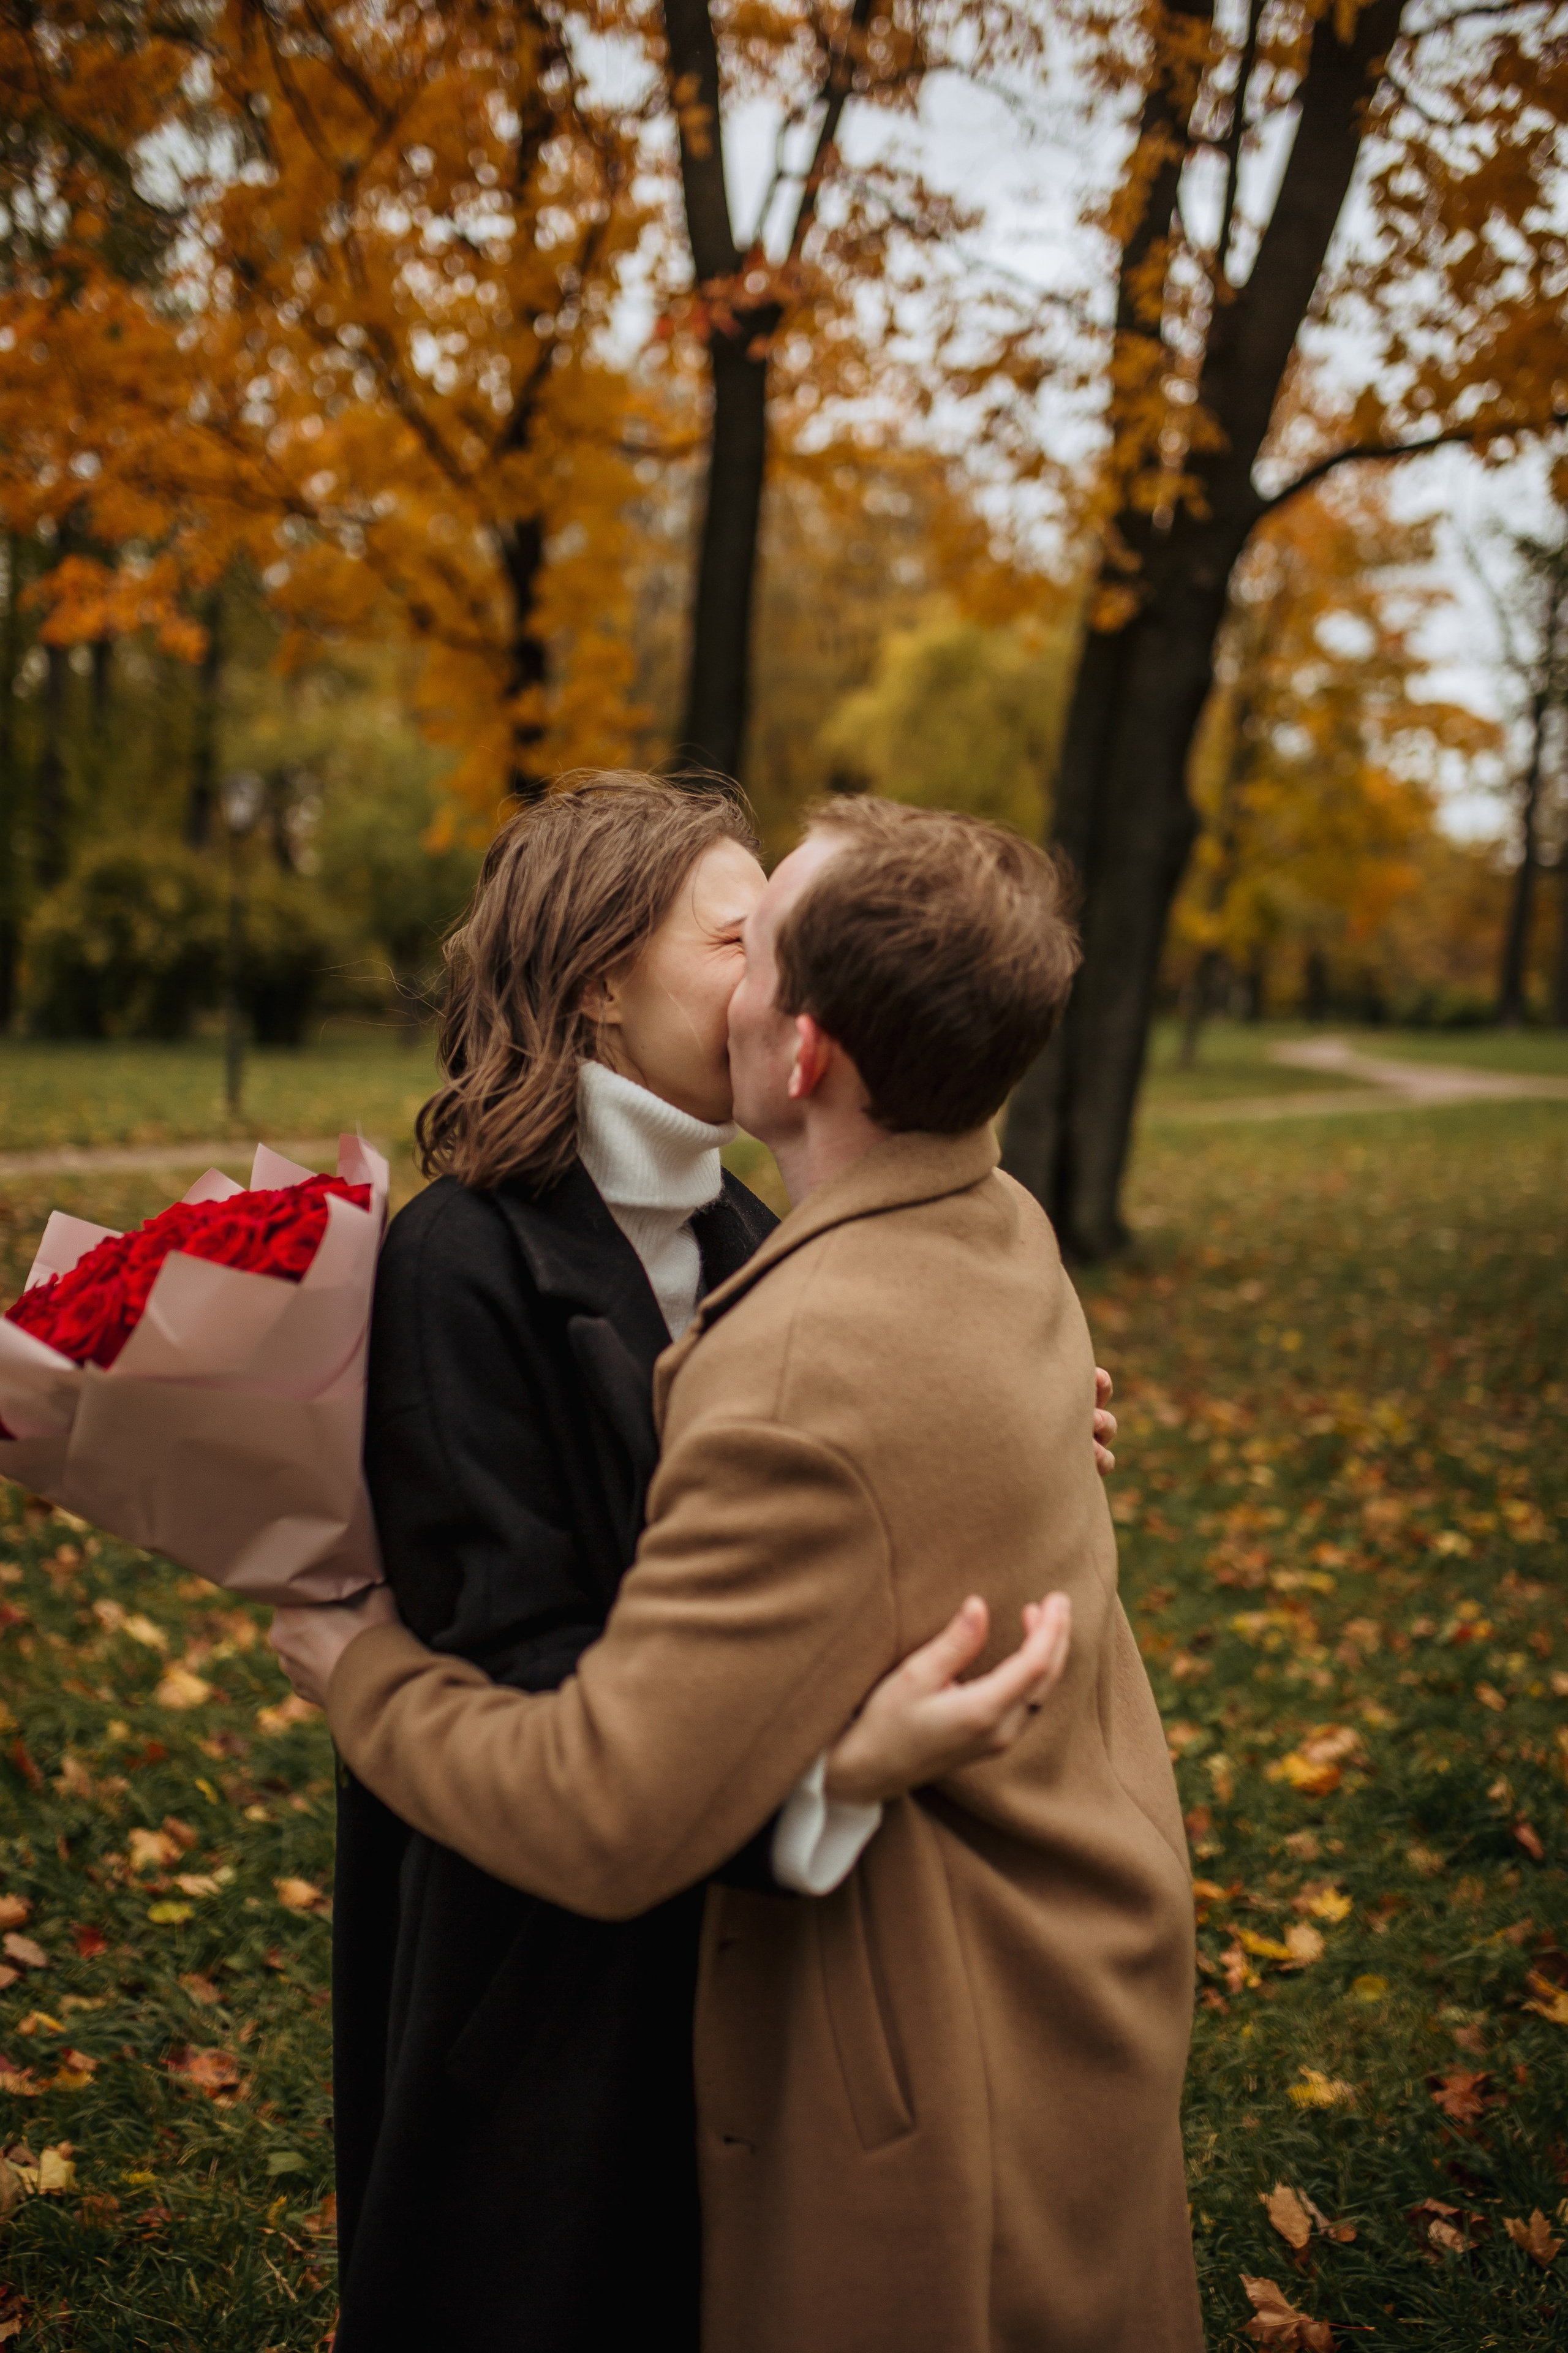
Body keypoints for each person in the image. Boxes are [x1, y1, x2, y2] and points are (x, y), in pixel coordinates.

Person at [322, 776, 1111, 2353]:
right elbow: (529, 1675)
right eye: (742, 939)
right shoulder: (461, 1258)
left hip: (737, 1973)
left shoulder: (756, 1232)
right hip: (534, 1974)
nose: (775, 983)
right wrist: (820, 1768)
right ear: (600, 980)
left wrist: (989, 1443)